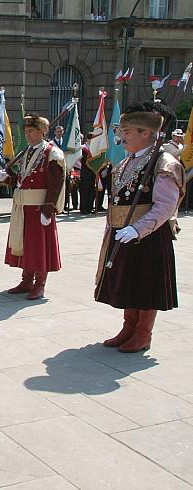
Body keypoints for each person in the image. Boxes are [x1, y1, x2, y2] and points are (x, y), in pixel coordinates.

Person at [95, 100, 184, 353]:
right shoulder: (127, 161)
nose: (121, 138)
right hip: (122, 232)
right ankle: (128, 326)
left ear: (146, 133)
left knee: (146, 286)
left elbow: (166, 205)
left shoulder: (163, 162)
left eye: (126, 132)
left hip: (148, 235)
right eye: (121, 132)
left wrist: (138, 229)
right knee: (128, 282)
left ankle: (143, 333)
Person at [0, 113, 65, 300]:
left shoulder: (51, 153)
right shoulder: (27, 151)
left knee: (39, 246)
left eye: (31, 131)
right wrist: (8, 179)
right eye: (26, 131)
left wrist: (48, 208)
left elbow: (55, 183)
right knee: (25, 245)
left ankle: (39, 284)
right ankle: (26, 280)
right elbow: (22, 180)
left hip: (39, 207)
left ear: (42, 131)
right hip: (23, 207)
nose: (28, 135)